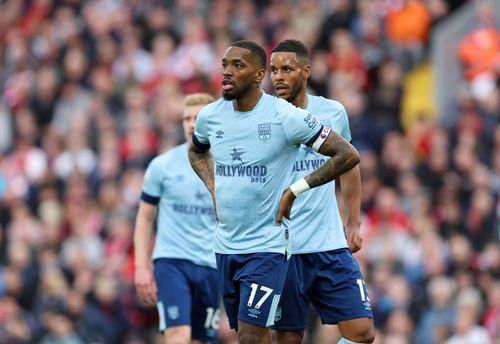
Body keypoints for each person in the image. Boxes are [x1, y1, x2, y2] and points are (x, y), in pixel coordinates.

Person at [188, 40, 360, 344]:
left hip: (272, 245)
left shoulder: (285, 115)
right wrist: (213, 187)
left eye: (237, 66)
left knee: (253, 337)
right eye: (224, 66)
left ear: (258, 75)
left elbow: (347, 155)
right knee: (257, 336)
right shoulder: (210, 116)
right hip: (227, 246)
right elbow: (197, 150)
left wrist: (296, 189)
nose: (227, 73)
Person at [269, 39, 375, 344]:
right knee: (289, 338)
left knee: (362, 332)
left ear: (306, 71)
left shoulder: (332, 111)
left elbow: (350, 163)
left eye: (286, 69)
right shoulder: (264, 119)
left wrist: (353, 221)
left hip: (328, 245)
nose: (278, 76)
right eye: (273, 70)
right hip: (283, 250)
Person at [134, 93, 220, 344]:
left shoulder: (229, 167)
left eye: (198, 117)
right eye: (187, 118)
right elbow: (144, 218)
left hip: (211, 265)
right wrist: (141, 267)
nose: (192, 123)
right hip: (172, 262)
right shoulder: (162, 166)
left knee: (201, 340)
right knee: (178, 336)